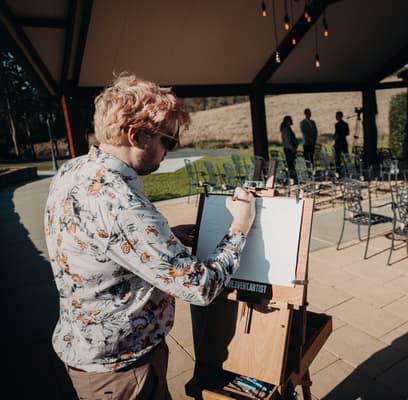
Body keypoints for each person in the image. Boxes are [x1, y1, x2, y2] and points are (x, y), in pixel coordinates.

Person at [43, 73, 256, 399]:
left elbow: (96, 238)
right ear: (137, 135)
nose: (168, 151)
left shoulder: (73, 170)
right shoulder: (123, 205)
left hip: (92, 352)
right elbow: (200, 287)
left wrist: (162, 237)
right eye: (167, 141)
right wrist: (240, 226)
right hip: (123, 371)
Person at [280, 115, 298, 182]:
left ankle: (292, 176)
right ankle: (293, 177)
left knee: (291, 164)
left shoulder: (286, 128)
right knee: (291, 164)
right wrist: (293, 148)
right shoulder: (286, 129)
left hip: (288, 148)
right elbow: (288, 140)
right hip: (289, 149)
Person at [333, 111, 349, 175]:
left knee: (341, 158)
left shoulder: (342, 124)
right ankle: (341, 171)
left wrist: (337, 136)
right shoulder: (339, 124)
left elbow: (346, 133)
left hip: (341, 143)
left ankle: (342, 171)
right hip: (341, 143)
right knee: (339, 158)